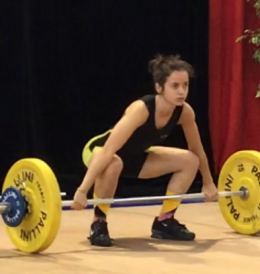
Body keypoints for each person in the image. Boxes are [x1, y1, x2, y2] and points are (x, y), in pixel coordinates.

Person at [72, 55, 217, 246]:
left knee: (191, 160)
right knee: (114, 162)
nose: (182, 91)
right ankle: (99, 222)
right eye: (175, 86)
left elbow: (197, 150)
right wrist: (82, 190)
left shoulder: (185, 112)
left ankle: (165, 221)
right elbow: (108, 150)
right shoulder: (141, 109)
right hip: (100, 151)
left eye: (185, 85)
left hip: (136, 157)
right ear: (159, 87)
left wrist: (208, 182)